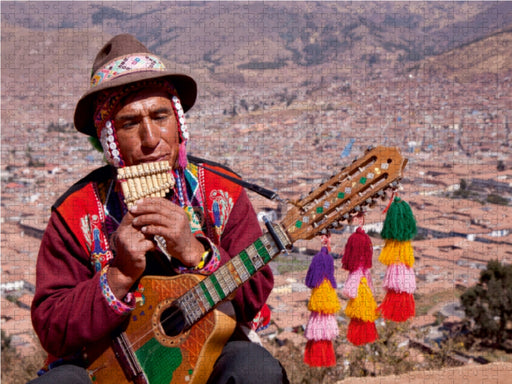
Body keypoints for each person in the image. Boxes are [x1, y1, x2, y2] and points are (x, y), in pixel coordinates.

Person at [30, 34, 288, 384]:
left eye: (160, 115)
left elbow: (253, 295)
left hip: (207, 348)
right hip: (107, 365)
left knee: (255, 371)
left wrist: (196, 253)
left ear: (179, 125)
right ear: (108, 139)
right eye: (130, 123)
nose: (151, 139)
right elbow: (51, 326)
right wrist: (118, 275)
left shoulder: (222, 190)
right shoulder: (74, 213)